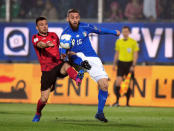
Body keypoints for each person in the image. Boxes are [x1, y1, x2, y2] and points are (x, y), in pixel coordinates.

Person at [60, 9, 120, 122]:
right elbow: (62, 52)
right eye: (72, 17)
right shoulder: (65, 34)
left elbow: (99, 30)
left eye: (77, 17)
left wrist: (113, 32)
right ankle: (81, 71)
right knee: (81, 60)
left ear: (79, 18)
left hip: (93, 58)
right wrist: (65, 54)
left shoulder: (85, 27)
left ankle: (99, 113)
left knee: (104, 85)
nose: (75, 19)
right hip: (77, 58)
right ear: (68, 19)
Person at [31, 17, 84, 122]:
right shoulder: (35, 38)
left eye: (46, 24)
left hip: (58, 64)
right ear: (37, 27)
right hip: (47, 70)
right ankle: (38, 113)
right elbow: (40, 44)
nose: (44, 26)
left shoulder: (54, 35)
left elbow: (61, 48)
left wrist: (66, 53)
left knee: (66, 66)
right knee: (44, 99)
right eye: (41, 25)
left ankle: (77, 78)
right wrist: (46, 44)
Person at [112, 26, 139, 106]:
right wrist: (114, 63)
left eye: (126, 31)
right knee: (118, 82)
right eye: (123, 31)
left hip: (129, 64)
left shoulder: (133, 42)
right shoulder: (118, 41)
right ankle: (117, 101)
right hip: (121, 63)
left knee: (128, 83)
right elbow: (117, 53)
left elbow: (135, 54)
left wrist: (133, 65)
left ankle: (127, 103)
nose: (125, 33)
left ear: (129, 32)